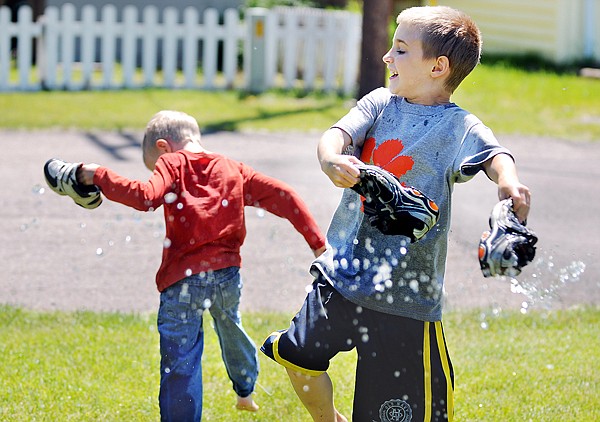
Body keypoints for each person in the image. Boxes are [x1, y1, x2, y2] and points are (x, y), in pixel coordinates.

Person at [260, 6, 531, 422]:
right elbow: (338, 133)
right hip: (343, 272)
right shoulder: (380, 103)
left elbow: (495, 155)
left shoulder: (458, 126)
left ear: (438, 67)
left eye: (401, 49)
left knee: (393, 415)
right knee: (297, 353)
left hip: (404, 298)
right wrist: (330, 157)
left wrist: (508, 184)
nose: (387, 57)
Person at [72, 110, 326, 421]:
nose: (158, 172)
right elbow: (285, 196)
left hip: (182, 280)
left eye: (155, 165)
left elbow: (145, 197)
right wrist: (318, 245)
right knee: (230, 326)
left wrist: (95, 173)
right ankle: (245, 388)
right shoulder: (234, 170)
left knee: (181, 362)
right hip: (227, 277)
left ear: (164, 147)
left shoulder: (172, 163)